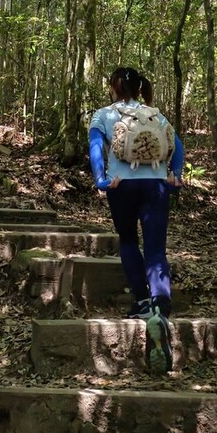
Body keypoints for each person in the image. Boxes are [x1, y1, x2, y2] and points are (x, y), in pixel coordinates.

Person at [88, 66, 184, 375]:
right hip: (156, 184)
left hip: (122, 185)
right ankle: (161, 305)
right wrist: (175, 175)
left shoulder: (103, 114)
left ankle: (142, 302)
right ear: (139, 87)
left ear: (113, 87)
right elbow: (177, 146)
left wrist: (101, 179)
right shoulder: (154, 114)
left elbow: (95, 149)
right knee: (156, 248)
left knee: (128, 240)